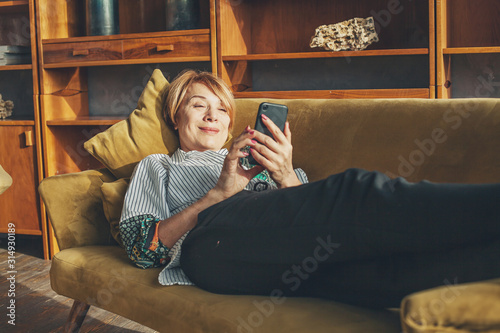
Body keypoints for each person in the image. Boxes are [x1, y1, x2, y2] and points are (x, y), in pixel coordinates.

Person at [120, 69, 500, 308]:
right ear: (175, 115)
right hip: (207, 248)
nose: (212, 116)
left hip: (286, 253)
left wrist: (285, 171)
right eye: (198, 105)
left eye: (221, 110)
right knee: (358, 190)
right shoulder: (158, 166)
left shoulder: (258, 160)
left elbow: (314, 214)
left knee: (381, 276)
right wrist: (219, 193)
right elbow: (141, 249)